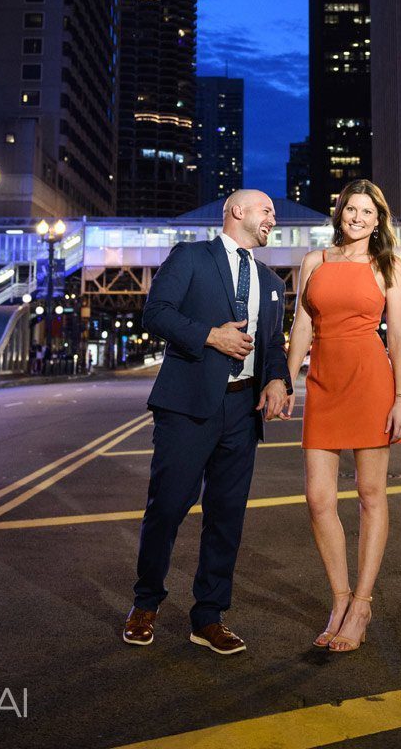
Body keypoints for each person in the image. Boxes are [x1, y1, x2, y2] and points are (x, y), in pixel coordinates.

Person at [124, 190, 291, 655]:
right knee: (169, 507)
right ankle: (146, 603)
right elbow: (156, 313)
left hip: (243, 410)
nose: (273, 217)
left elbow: (272, 345)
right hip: (187, 405)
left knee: (226, 516)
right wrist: (210, 336)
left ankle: (209, 616)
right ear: (238, 212)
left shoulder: (271, 281)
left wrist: (278, 381)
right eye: (267, 210)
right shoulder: (191, 257)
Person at [285, 179, 401, 654]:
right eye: (350, 209)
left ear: (379, 220)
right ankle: (338, 597)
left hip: (370, 380)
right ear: (339, 213)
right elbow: (301, 325)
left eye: (366, 211)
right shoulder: (314, 261)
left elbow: (396, 337)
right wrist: (286, 378)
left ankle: (361, 604)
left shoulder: (389, 265)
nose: (357, 217)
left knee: (369, 494)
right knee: (318, 499)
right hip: (323, 381)